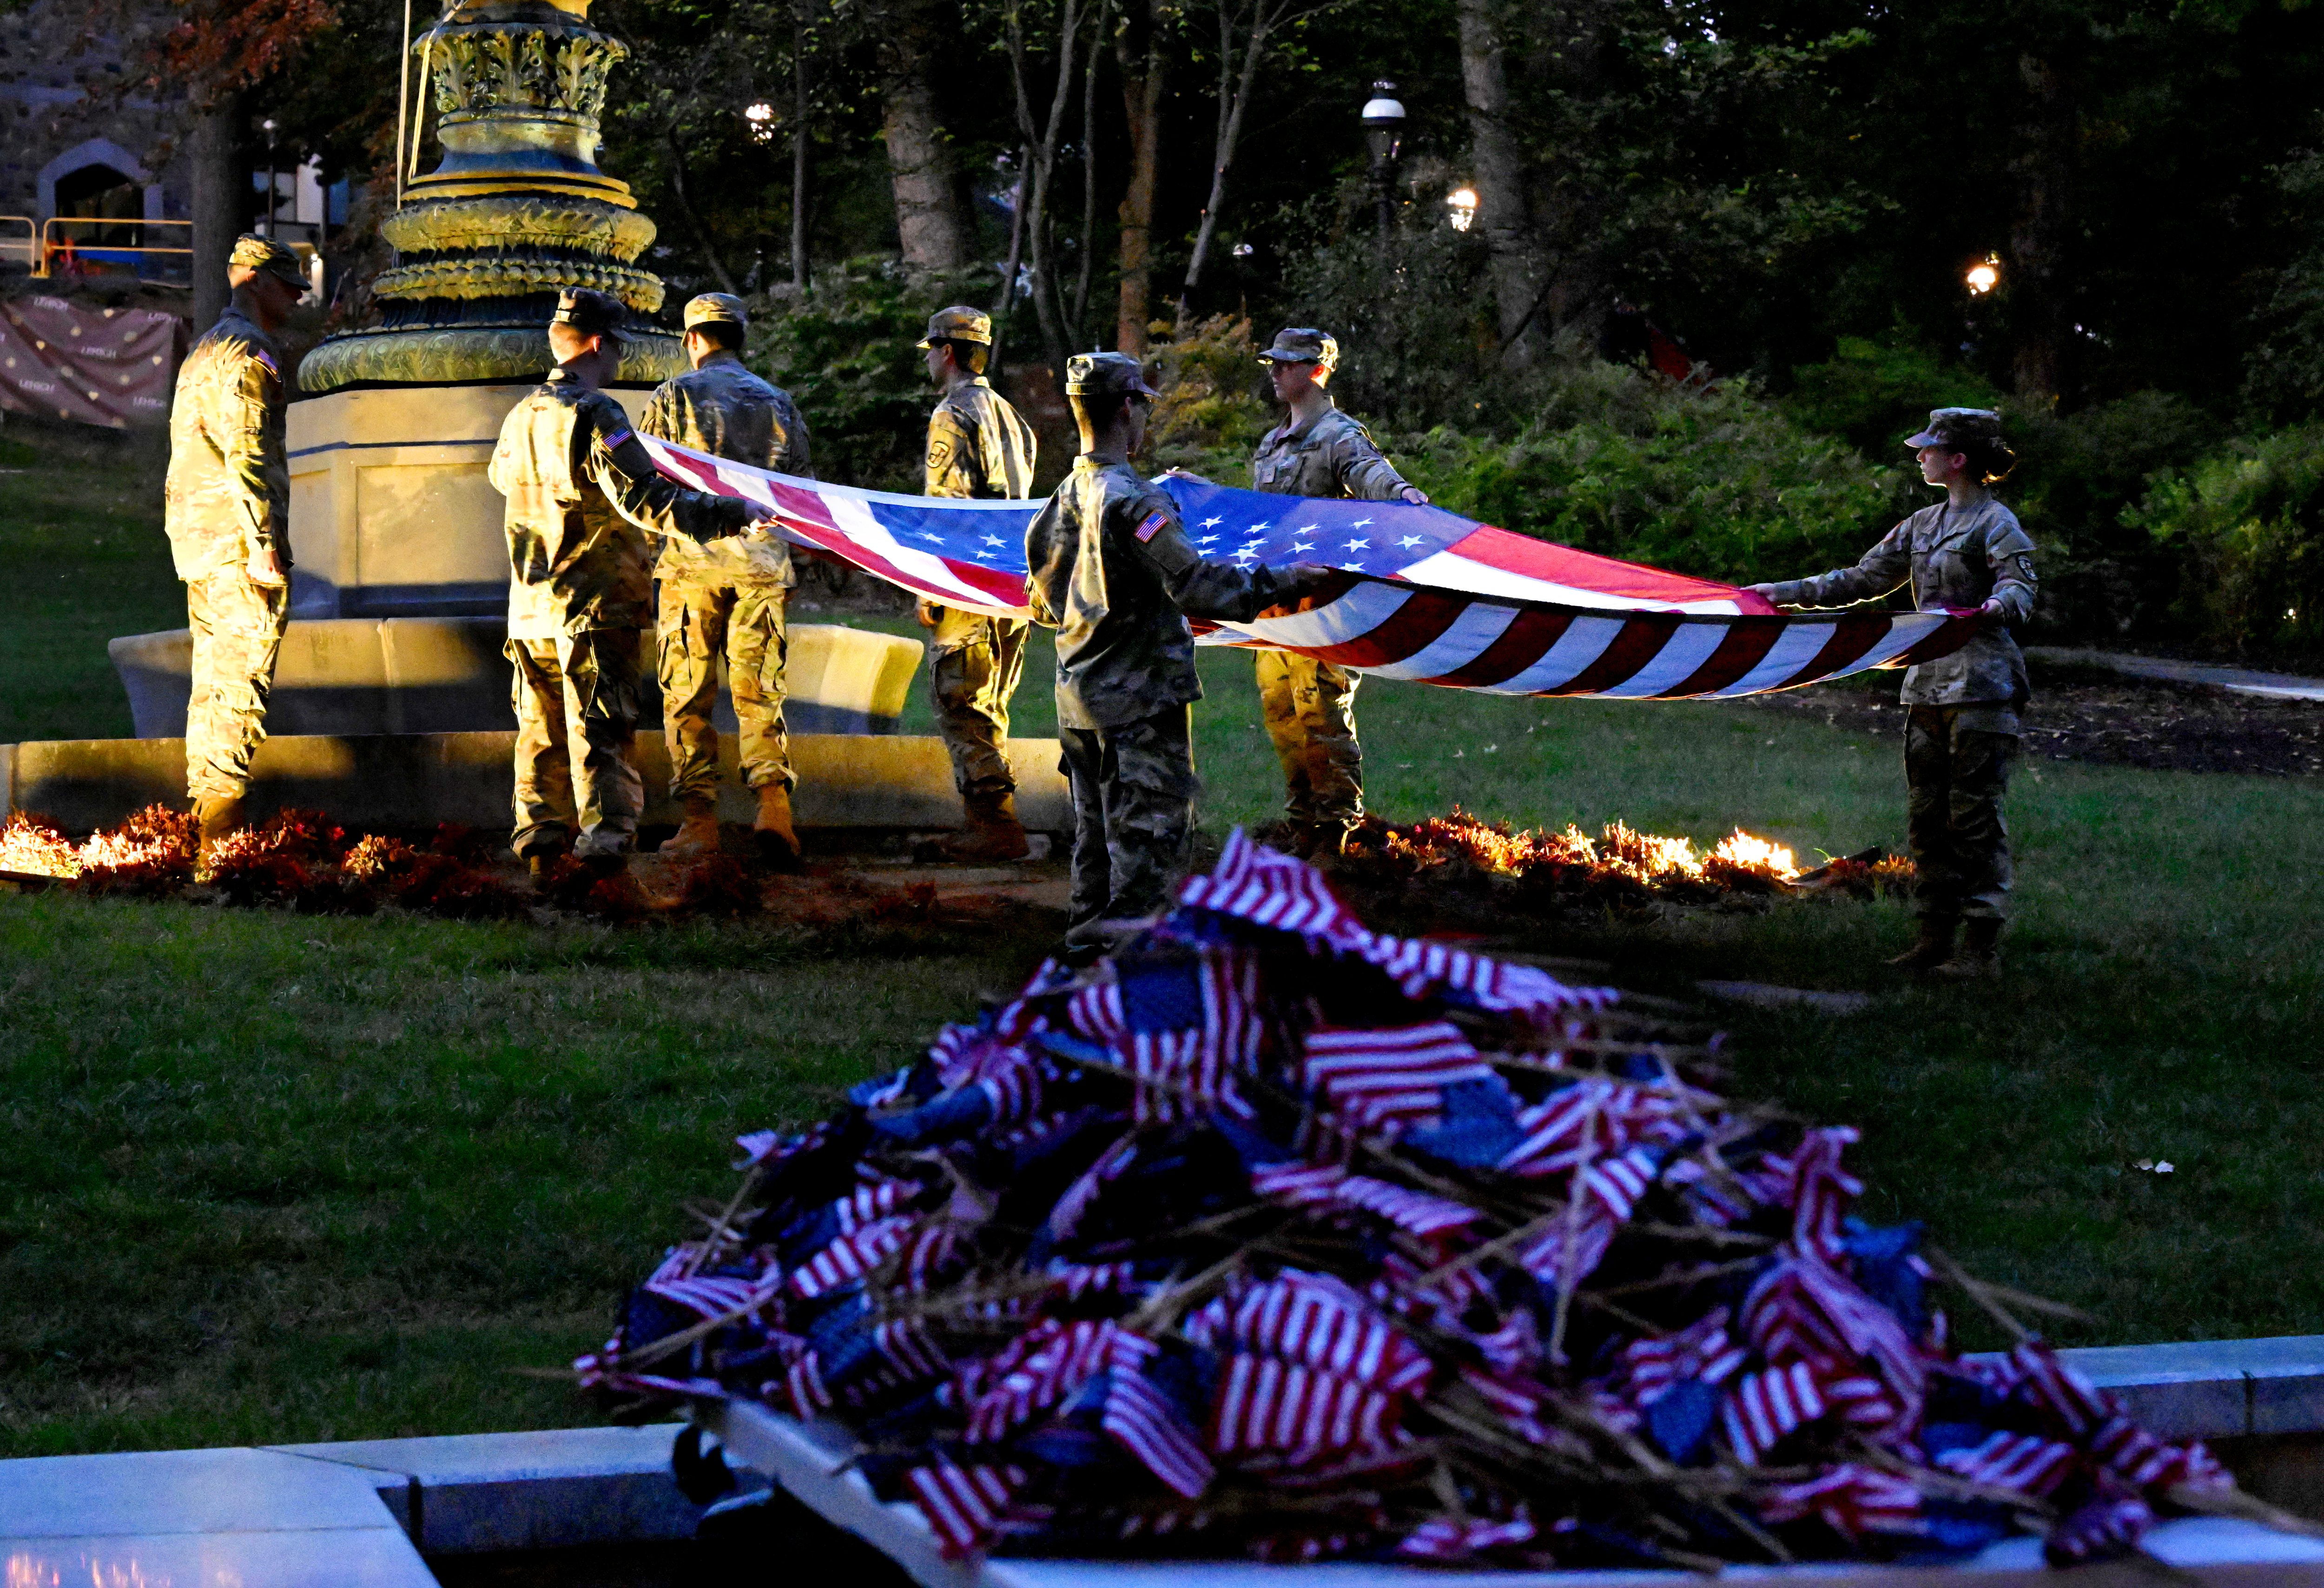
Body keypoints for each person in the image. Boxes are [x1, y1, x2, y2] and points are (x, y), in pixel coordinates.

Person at [1025, 352, 1328, 958]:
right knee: (1148, 853)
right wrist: (1292, 580)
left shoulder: (1065, 494)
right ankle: (1138, 994)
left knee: (1095, 847)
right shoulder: (1135, 501)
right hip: (1138, 706)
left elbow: (1044, 599)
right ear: (1128, 408)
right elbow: (1199, 586)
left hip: (1079, 702)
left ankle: (1084, 975)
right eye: (1142, 408)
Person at [1746, 408, 2038, 978]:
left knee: (1973, 817)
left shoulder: (1995, 523)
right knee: (1926, 818)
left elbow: (2018, 583)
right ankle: (1933, 936)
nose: (1918, 455)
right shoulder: (1921, 525)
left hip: (1981, 687)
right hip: (1925, 683)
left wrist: (1998, 605)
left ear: (1957, 460)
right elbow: (1858, 580)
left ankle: (1978, 946)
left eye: (1929, 448)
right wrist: (1780, 593)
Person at [488, 288, 761, 878]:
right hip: (592, 601)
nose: (618, 361)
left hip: (529, 605)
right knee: (602, 731)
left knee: (539, 731)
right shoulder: (596, 412)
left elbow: (499, 480)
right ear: (596, 344)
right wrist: (730, 513)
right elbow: (644, 499)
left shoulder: (520, 415)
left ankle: (539, 848)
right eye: (616, 348)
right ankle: (604, 859)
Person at [642, 292, 814, 866]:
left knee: (687, 691)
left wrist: (649, 555)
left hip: (691, 565)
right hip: (761, 566)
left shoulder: (672, 396)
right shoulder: (779, 402)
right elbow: (802, 493)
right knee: (760, 692)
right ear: (740, 338)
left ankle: (699, 821)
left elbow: (649, 483)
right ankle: (773, 809)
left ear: (692, 339)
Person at [1247, 327, 1429, 859]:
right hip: (1274, 606)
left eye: (1286, 363)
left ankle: (1335, 837)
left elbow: (1368, 471)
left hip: (1321, 608)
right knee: (1282, 716)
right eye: (1273, 363)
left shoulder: (1338, 433)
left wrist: (1402, 496)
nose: (1275, 372)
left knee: (1322, 715)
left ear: (1317, 369)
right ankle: (1303, 826)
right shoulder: (1271, 442)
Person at [164, 234, 307, 854]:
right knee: (241, 684)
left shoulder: (203, 349)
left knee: (212, 685)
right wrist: (264, 542)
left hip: (201, 542)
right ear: (256, 281)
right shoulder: (250, 353)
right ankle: (220, 844)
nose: (298, 297)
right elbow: (248, 452)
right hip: (237, 544)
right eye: (289, 284)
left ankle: (202, 821)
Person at [915, 305, 1041, 860]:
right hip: (1015, 581)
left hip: (968, 579)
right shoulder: (1013, 417)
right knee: (991, 700)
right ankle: (992, 819)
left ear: (947, 353)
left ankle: (993, 822)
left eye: (930, 352)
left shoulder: (952, 414)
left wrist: (930, 585)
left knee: (959, 697)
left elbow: (951, 507)